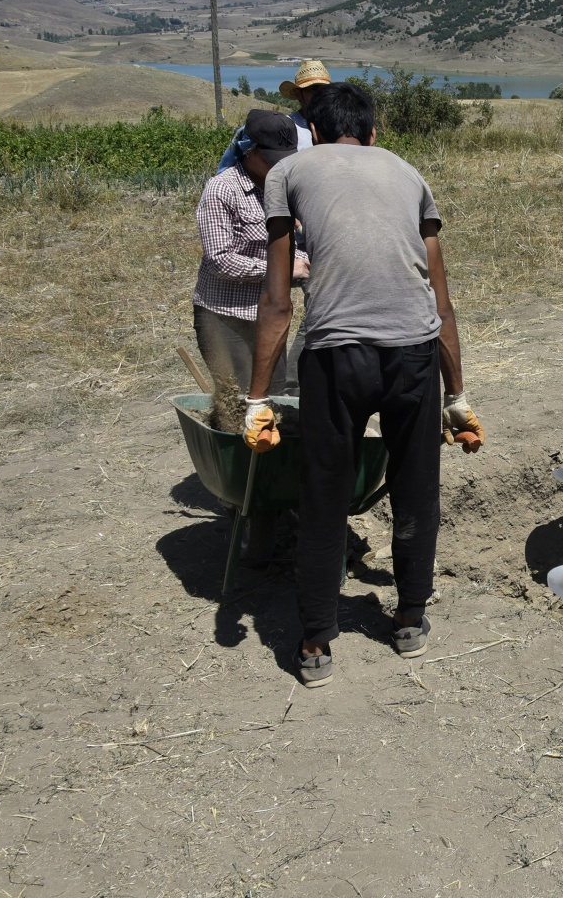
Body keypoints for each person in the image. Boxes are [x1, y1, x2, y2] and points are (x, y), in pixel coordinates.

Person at [244, 82, 486, 688]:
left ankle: (316, 642)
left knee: (323, 496)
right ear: (374, 134)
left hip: (336, 354)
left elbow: (277, 301)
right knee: (415, 487)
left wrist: (257, 401)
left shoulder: (289, 172)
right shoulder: (409, 173)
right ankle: (408, 618)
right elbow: (441, 296)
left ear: (314, 132)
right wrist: (457, 396)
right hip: (414, 352)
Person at [192, 109, 310, 394]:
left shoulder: (285, 189)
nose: (279, 168)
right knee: (241, 398)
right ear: (250, 151)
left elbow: (298, 244)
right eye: (272, 160)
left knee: (276, 396)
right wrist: (279, 270)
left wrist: (302, 260)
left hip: (270, 313)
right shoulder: (221, 190)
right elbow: (221, 260)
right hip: (226, 316)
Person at [217, 60, 329, 172]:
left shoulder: (335, 125)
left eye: (324, 90)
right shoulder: (284, 128)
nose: (320, 96)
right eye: (313, 90)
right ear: (298, 94)